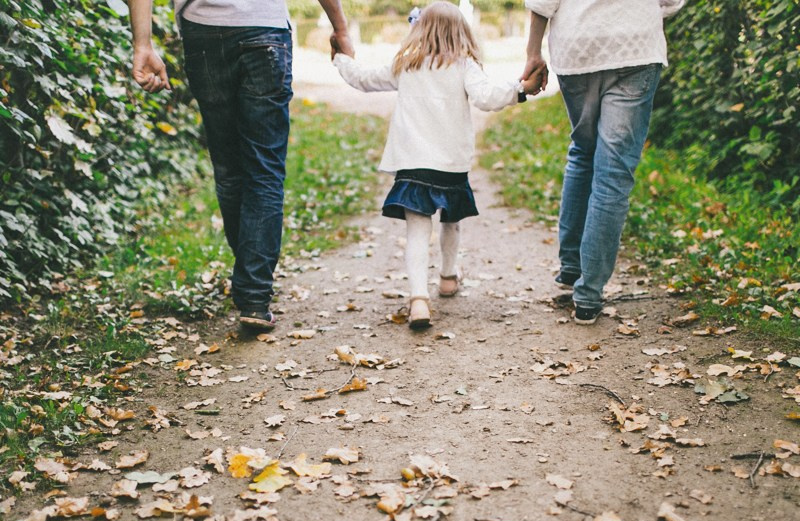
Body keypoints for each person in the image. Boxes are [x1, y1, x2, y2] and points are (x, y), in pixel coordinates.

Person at [127, 0, 354, 331]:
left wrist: (143, 44)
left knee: (229, 166)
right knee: (265, 169)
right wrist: (340, 27)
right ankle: (254, 296)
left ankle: (250, 280)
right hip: (264, 30)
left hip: (203, 32)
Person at [332, 1, 545, 329]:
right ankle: (448, 275)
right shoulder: (464, 66)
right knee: (451, 220)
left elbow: (362, 79)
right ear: (462, 32)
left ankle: (418, 299)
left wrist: (340, 58)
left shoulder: (405, 65)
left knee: (417, 230)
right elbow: (488, 97)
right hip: (449, 163)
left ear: (419, 29)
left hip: (413, 163)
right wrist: (521, 90)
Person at [521, 0, 684, 325]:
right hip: (636, 47)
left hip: (578, 46)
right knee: (613, 174)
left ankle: (571, 270)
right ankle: (588, 295)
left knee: (583, 153)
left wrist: (533, 52)